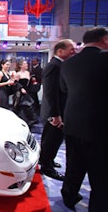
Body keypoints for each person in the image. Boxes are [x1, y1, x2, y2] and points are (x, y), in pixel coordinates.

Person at [60, 27, 108, 211]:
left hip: (72, 123)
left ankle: (69, 196)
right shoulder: (105, 58)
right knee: (100, 172)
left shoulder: (68, 64)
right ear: (104, 39)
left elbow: (65, 90)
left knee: (74, 165)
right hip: (99, 126)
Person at [39, 39, 75, 181]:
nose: (74, 51)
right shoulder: (54, 66)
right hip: (54, 112)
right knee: (51, 140)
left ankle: (47, 160)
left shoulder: (59, 65)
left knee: (52, 139)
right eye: (71, 48)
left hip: (58, 111)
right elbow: (50, 92)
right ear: (60, 51)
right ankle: (47, 167)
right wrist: (55, 114)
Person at [12, 59, 39, 128]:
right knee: (21, 107)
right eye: (25, 64)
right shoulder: (18, 74)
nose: (26, 65)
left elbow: (29, 83)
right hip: (20, 92)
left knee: (29, 106)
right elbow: (15, 83)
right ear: (21, 65)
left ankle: (29, 122)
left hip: (27, 91)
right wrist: (21, 88)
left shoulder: (28, 73)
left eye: (26, 64)